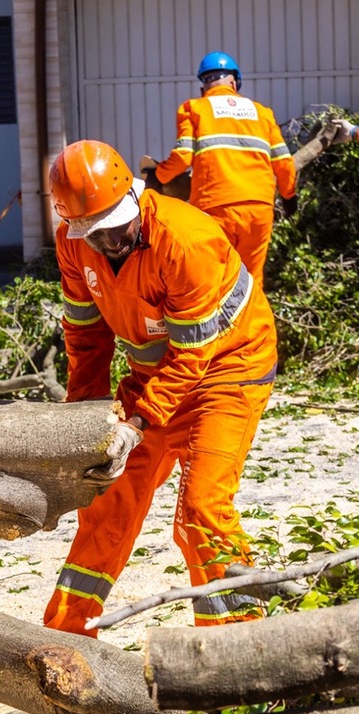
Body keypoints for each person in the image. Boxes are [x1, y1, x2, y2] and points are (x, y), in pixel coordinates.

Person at [44, 139, 278, 637]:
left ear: (133, 199)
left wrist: (139, 420)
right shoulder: (73, 242)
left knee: (201, 509)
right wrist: (85, 418)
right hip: (155, 378)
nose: (106, 243)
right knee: (106, 500)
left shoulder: (185, 241)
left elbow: (193, 354)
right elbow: (85, 334)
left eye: (112, 229)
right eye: (92, 234)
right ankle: (66, 636)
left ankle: (240, 646)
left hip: (227, 370)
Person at [151, 51, 298, 290]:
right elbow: (283, 160)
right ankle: (252, 327)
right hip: (258, 209)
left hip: (215, 207)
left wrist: (159, 178)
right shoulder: (262, 112)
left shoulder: (193, 108)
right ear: (234, 82)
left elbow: (182, 156)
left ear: (204, 86)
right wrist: (289, 196)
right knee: (250, 284)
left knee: (215, 281)